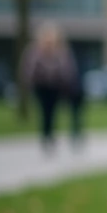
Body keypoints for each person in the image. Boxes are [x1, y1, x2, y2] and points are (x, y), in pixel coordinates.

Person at [19, 21, 79, 154]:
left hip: (55, 87)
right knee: (44, 111)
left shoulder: (61, 51)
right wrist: (28, 83)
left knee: (52, 112)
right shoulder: (34, 51)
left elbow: (67, 69)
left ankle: (49, 136)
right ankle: (46, 136)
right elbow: (28, 69)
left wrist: (68, 83)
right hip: (41, 86)